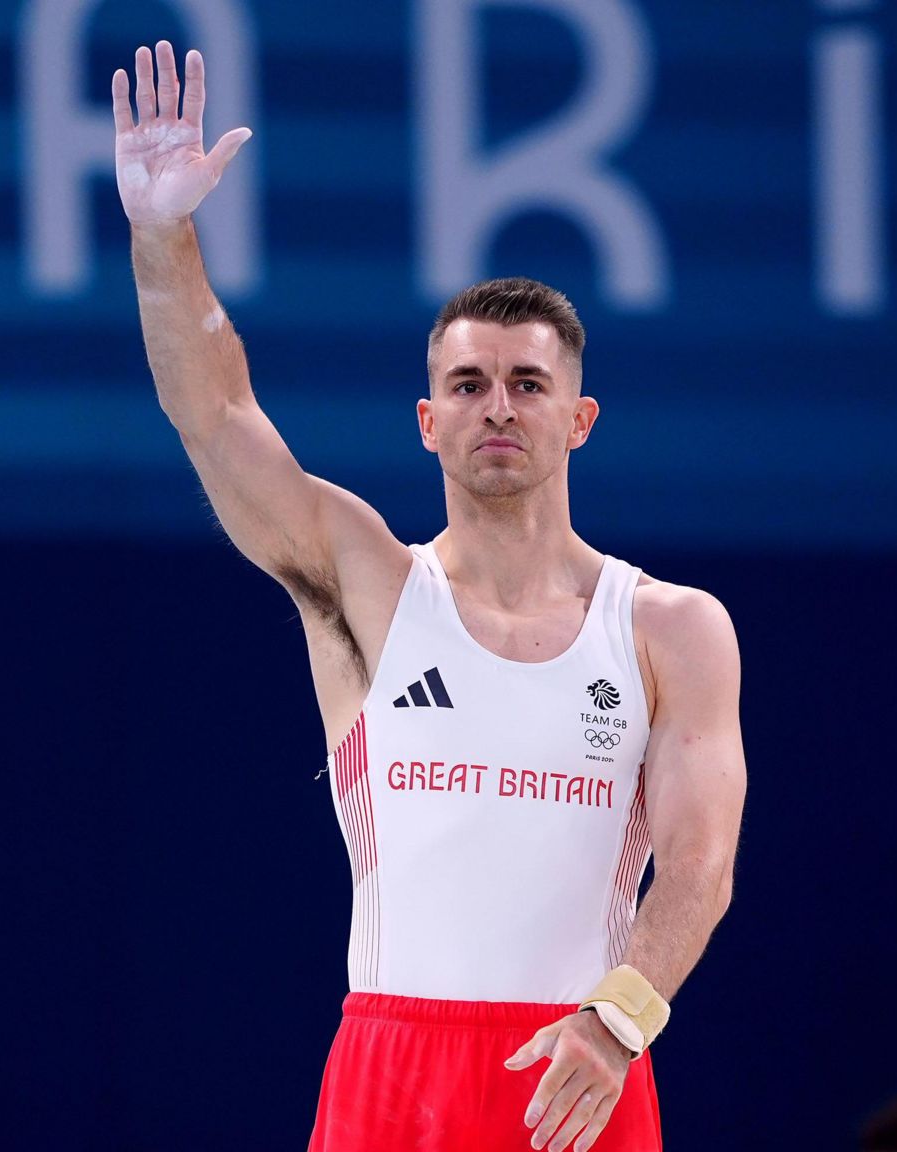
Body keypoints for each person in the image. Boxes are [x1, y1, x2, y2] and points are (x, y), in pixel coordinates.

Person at [111, 40, 747, 1152]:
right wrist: (164, 240)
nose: (496, 407)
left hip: (581, 1062)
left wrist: (616, 1019)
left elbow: (698, 865)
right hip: (392, 1073)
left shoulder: (666, 628)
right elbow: (214, 417)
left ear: (576, 419)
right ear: (427, 420)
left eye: (526, 385)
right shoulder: (366, 584)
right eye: (467, 384)